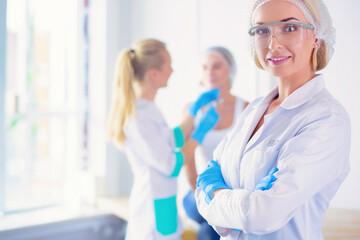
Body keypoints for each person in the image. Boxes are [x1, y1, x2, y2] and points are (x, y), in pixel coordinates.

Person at [195, 0, 351, 239]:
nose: (273, 44)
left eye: (289, 28)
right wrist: (241, 206)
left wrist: (213, 195)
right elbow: (202, 183)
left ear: (317, 36)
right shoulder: (253, 110)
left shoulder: (327, 119)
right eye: (262, 31)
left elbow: (263, 214)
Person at [107, 39, 221, 240]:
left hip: (163, 202)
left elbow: (170, 139)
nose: (172, 71)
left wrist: (192, 113)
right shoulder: (137, 117)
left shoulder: (147, 107)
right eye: (169, 65)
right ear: (153, 74)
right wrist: (199, 134)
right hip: (151, 213)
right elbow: (171, 165)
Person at [182, 47, 249, 240]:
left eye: (216, 67)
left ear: (230, 70)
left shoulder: (246, 109)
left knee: (209, 229)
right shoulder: (192, 110)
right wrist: (200, 191)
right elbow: (185, 159)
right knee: (215, 219)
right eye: (205, 67)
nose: (210, 73)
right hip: (197, 191)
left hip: (231, 191)